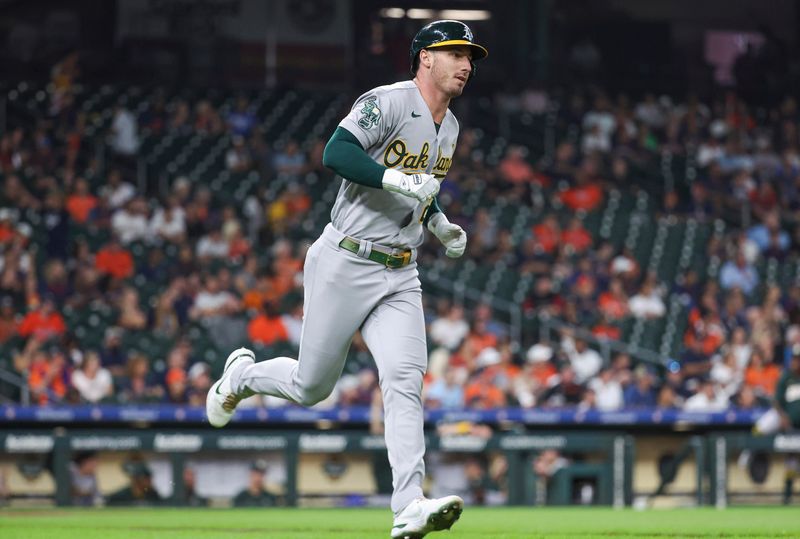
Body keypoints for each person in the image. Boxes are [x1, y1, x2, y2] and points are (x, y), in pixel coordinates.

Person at [207, 20, 486, 539]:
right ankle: (241, 378)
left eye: (470, 56)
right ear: (425, 57)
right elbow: (335, 152)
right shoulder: (389, 100)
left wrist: (437, 221)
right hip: (346, 259)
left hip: (402, 272)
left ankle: (409, 506)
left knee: (404, 382)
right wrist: (394, 177)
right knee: (312, 387)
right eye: (454, 53)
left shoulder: (451, 128)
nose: (466, 64)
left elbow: (418, 190)